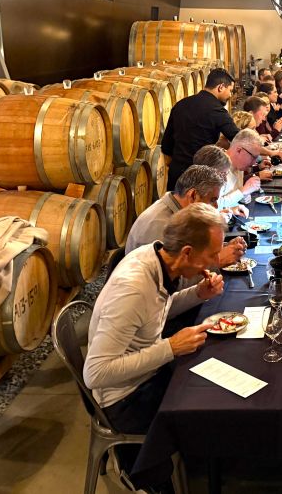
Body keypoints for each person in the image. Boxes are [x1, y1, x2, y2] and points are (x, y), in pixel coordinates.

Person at [83, 204, 227, 483]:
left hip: (148, 373)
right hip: (125, 397)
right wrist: (170, 347)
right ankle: (152, 475)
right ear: (187, 252)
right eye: (211, 255)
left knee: (213, 380)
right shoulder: (134, 287)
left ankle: (205, 465)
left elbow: (156, 311)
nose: (215, 261)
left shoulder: (156, 257)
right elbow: (95, 373)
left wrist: (198, 294)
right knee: (210, 404)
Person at [124, 166, 245, 269]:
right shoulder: (160, 226)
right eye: (212, 200)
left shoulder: (182, 212)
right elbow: (171, 282)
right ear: (193, 195)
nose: (216, 206)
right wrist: (217, 261)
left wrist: (220, 249)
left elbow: (190, 254)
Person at [161, 68, 238, 190]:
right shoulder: (216, 110)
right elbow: (238, 137)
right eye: (230, 90)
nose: (230, 95)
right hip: (201, 178)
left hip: (177, 176)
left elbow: (166, 146)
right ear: (221, 87)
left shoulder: (180, 104)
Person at [219, 129, 264, 209]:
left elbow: (234, 196)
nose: (253, 163)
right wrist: (243, 191)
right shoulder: (218, 168)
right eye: (253, 157)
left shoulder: (238, 166)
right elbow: (213, 207)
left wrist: (243, 195)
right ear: (239, 150)